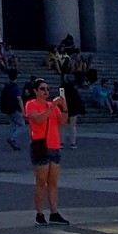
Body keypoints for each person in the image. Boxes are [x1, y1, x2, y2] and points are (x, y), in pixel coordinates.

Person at [23, 77, 70, 226]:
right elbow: (38, 119)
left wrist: (64, 107)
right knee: (41, 181)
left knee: (53, 181)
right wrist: (52, 107)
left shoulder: (53, 106)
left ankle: (54, 212)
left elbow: (62, 122)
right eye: (42, 89)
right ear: (36, 91)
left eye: (48, 89)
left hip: (54, 145)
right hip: (40, 145)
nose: (46, 92)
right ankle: (39, 213)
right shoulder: (31, 104)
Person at [2, 71, 26, 150]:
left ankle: (14, 141)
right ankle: (12, 138)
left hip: (7, 108)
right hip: (15, 108)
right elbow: (19, 99)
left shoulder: (6, 87)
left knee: (13, 125)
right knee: (22, 125)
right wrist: (23, 110)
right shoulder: (16, 87)